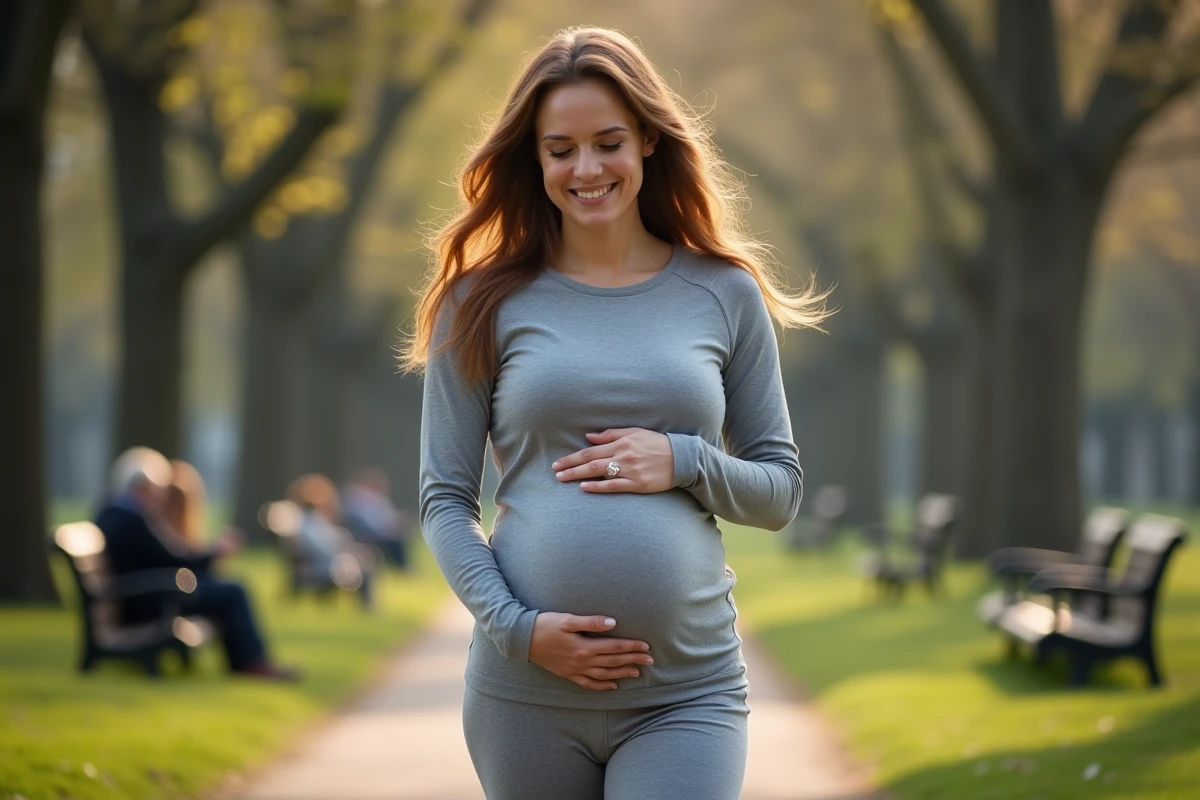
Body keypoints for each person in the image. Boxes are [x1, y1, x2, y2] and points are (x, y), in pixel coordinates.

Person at [402, 27, 825, 800]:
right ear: (534, 158)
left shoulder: (723, 293)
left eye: (608, 143)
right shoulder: (480, 300)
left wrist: (684, 460)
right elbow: (444, 500)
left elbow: (780, 493)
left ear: (648, 142)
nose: (587, 169)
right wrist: (519, 631)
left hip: (685, 695)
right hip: (526, 697)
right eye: (561, 149)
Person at [95, 447, 299, 681]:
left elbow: (167, 559)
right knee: (233, 592)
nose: (159, 496)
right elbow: (174, 560)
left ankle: (248, 660)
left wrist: (208, 559)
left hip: (147, 594)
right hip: (151, 600)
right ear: (140, 487)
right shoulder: (131, 519)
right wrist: (214, 553)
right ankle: (250, 661)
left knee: (223, 588)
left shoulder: (117, 513)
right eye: (155, 489)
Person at [287, 473, 376, 609]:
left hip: (322, 563)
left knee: (362, 560)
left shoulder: (309, 519)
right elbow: (320, 548)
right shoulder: (307, 521)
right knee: (362, 569)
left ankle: (367, 607)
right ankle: (368, 607)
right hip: (320, 568)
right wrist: (341, 549)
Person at [340, 467, 412, 569]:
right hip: (371, 535)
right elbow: (372, 522)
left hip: (380, 531)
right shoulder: (360, 499)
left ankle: (402, 566)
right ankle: (402, 567)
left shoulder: (377, 498)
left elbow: (386, 517)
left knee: (398, 535)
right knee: (395, 541)